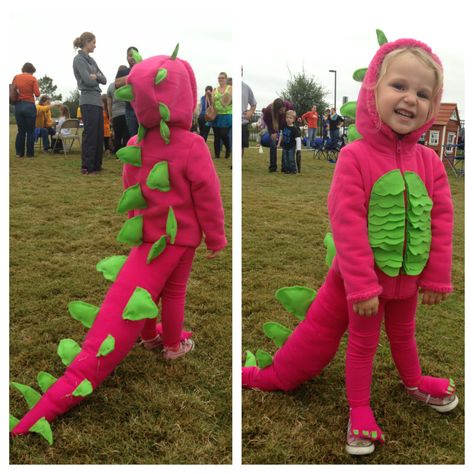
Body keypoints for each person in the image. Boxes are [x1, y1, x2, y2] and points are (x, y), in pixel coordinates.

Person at [242, 38, 457, 456]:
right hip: (365, 286)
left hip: (408, 280)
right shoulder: (355, 157)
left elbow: (441, 220)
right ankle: (358, 408)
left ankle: (413, 383)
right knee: (363, 344)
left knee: (404, 335)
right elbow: (347, 222)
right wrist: (360, 286)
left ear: (433, 105)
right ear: (373, 91)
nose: (410, 98)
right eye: (399, 86)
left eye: (423, 92)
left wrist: (435, 276)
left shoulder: (431, 163)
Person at [11, 48, 228, 441]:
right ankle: (172, 344)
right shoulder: (193, 145)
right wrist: (216, 237)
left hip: (148, 237)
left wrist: (136, 224)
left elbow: (131, 187)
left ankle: (150, 336)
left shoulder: (135, 142)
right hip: (180, 239)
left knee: (146, 291)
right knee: (172, 291)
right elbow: (207, 197)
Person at [73, 31, 107, 174]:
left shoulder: (92, 61)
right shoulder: (78, 59)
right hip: (88, 101)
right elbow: (87, 80)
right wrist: (94, 77)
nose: (95, 45)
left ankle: (97, 165)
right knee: (90, 133)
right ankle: (87, 166)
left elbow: (104, 79)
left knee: (99, 134)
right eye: (93, 42)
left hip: (97, 101)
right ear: (86, 43)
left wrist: (96, 76)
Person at [12, 62, 40, 158]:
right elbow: (37, 94)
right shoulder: (33, 78)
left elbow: (13, 91)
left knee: (21, 131)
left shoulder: (16, 77)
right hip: (29, 106)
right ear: (32, 71)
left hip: (18, 106)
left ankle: (19, 153)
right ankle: (30, 154)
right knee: (30, 131)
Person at [262, 98, 294, 172]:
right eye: (280, 111)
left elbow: (293, 113)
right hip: (274, 126)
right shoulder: (268, 111)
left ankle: (284, 167)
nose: (283, 112)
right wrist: (272, 131)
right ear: (276, 110)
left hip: (284, 125)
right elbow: (266, 120)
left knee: (285, 144)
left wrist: (296, 118)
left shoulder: (288, 105)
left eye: (284, 110)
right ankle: (273, 167)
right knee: (273, 144)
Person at [115, 46, 140, 136]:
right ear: (126, 57)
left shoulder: (144, 68)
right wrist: (133, 77)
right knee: (133, 136)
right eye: (130, 55)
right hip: (129, 110)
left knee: (146, 136)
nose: (132, 57)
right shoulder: (123, 72)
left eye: (134, 55)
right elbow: (116, 84)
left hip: (143, 109)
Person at [208, 72, 232, 159]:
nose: (220, 79)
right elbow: (212, 103)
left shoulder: (230, 88)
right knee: (217, 136)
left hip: (227, 114)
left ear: (226, 79)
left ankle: (228, 149)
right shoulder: (215, 89)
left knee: (224, 134)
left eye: (222, 78)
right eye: (219, 78)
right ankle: (217, 155)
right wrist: (210, 97)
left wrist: (220, 98)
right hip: (217, 115)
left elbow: (228, 100)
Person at [107, 65, 130, 153]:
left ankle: (117, 154)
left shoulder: (111, 86)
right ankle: (125, 153)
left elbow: (109, 103)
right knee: (126, 134)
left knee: (117, 135)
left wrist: (110, 115)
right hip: (126, 112)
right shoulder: (127, 84)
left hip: (115, 113)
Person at [241, 70, 257, 158]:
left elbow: (253, 103)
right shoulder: (228, 86)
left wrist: (250, 112)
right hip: (229, 120)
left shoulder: (246, 88)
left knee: (240, 145)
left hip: (242, 121)